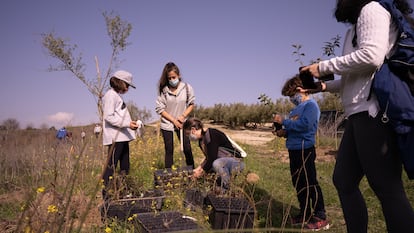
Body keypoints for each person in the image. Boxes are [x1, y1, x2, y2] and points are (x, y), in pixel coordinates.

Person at [300, 0, 414, 232]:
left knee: (387, 188)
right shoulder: (357, 25)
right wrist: (322, 87)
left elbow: (371, 57)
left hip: (372, 112)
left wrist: (323, 67)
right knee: (344, 180)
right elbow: (360, 73)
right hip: (357, 113)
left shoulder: (372, 8)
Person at [273, 75, 329, 230]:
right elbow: (294, 127)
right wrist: (284, 132)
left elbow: (305, 125)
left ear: (299, 90)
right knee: (299, 183)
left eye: (291, 95)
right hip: (294, 149)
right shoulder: (296, 109)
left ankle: (320, 215)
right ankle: (305, 212)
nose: (291, 98)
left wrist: (284, 121)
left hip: (305, 149)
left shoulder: (311, 106)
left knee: (310, 182)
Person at [101, 70, 139, 199]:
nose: (127, 88)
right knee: (111, 167)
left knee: (125, 166)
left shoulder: (116, 96)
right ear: (120, 82)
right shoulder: (111, 95)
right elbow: (109, 117)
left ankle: (124, 191)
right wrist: (127, 124)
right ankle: (106, 195)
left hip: (122, 137)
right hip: (115, 138)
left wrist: (130, 123)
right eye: (127, 85)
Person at [182, 117, 245, 191]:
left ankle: (226, 188)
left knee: (216, 164)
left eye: (187, 134)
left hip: (235, 162)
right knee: (211, 174)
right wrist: (198, 169)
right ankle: (220, 186)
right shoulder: (201, 141)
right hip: (222, 163)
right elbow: (208, 158)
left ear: (193, 130)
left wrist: (200, 173)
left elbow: (212, 158)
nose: (188, 137)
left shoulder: (212, 134)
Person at [155, 62, 195, 168]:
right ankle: (168, 176)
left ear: (179, 75)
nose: (172, 80)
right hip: (168, 123)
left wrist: (182, 117)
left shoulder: (186, 88)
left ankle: (192, 172)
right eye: (169, 78)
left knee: (187, 148)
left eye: (174, 77)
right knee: (169, 150)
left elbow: (191, 104)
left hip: (183, 123)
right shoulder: (163, 91)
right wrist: (174, 120)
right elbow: (160, 109)